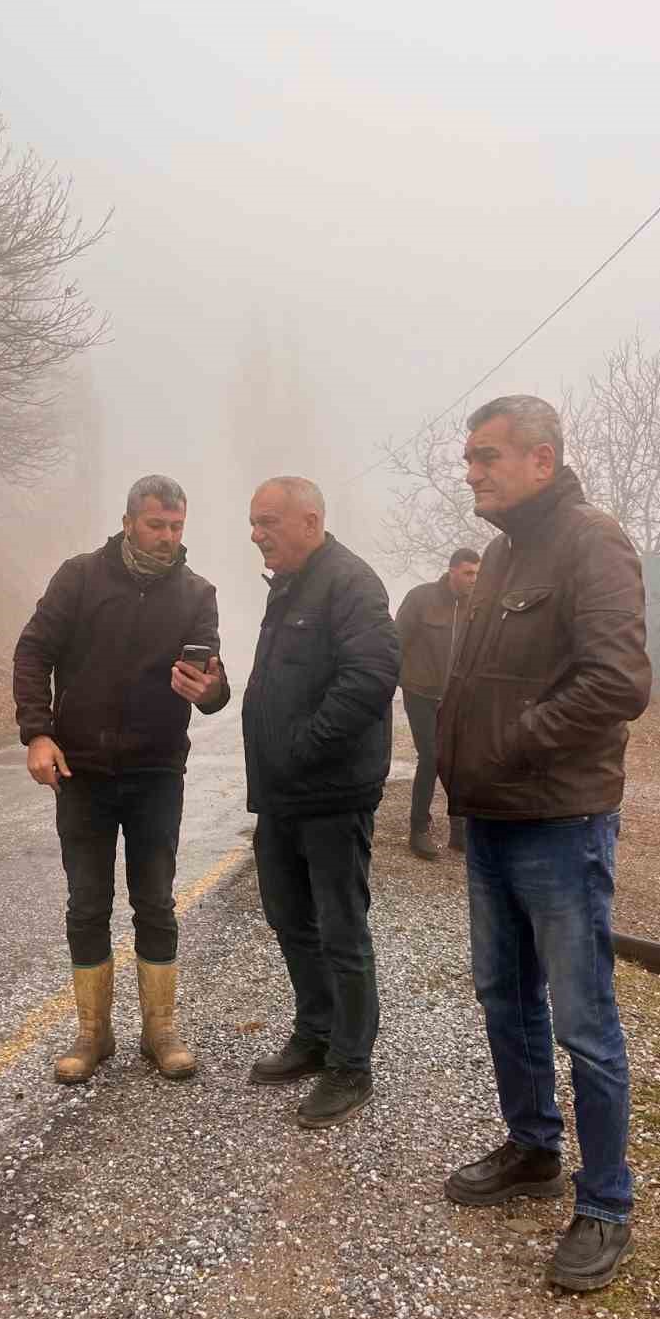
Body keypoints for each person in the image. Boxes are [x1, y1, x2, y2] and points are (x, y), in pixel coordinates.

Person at [436, 396, 651, 1292]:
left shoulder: (591, 542)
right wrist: (466, 777)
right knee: (504, 999)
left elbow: (619, 681)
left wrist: (516, 742)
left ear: (541, 457)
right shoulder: (499, 555)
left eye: (487, 457)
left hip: (560, 822)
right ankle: (533, 1149)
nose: (473, 472)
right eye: (470, 459)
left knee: (583, 1020)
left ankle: (606, 1203)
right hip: (492, 818)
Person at [12, 474, 229, 1085]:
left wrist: (211, 690)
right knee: (86, 904)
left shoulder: (196, 592)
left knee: (155, 902)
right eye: (157, 524)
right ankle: (93, 1033)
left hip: (157, 770)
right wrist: (38, 732)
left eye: (177, 526)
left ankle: (160, 1031)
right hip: (79, 770)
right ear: (130, 521)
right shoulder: (79, 577)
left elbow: (211, 677)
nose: (167, 537)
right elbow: (33, 653)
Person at [242, 477, 400, 1129]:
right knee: (289, 918)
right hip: (282, 796)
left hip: (331, 793)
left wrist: (304, 746)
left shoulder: (350, 582)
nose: (256, 533)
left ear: (310, 519)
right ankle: (314, 1032)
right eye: (253, 522)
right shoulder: (289, 584)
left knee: (341, 928)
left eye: (268, 521)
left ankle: (351, 1064)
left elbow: (370, 676)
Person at [394, 548, 481, 859]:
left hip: (456, 696)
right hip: (420, 691)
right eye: (469, 573)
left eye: (477, 574)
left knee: (458, 759)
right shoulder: (422, 598)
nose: (474, 579)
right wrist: (385, 684)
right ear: (452, 571)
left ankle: (459, 830)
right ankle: (419, 828)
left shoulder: (476, 606)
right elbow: (397, 642)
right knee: (431, 756)